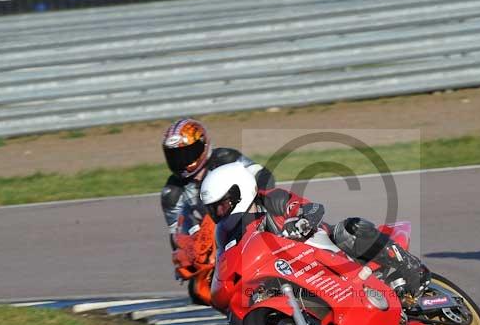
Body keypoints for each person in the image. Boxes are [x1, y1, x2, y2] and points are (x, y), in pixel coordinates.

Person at [199, 161, 430, 299]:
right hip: (292, 274)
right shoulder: (230, 234)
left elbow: (310, 208)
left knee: (348, 229)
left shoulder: (272, 200)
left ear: (240, 191)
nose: (219, 212)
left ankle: (408, 265)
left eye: (223, 204)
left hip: (326, 252)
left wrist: (300, 221)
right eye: (213, 209)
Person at [161, 118, 274, 300]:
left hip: (247, 217)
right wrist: (191, 252)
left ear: (203, 145)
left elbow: (264, 176)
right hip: (212, 241)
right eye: (176, 156)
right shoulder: (171, 193)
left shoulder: (225, 158)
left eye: (188, 153)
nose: (183, 162)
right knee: (198, 291)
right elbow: (176, 235)